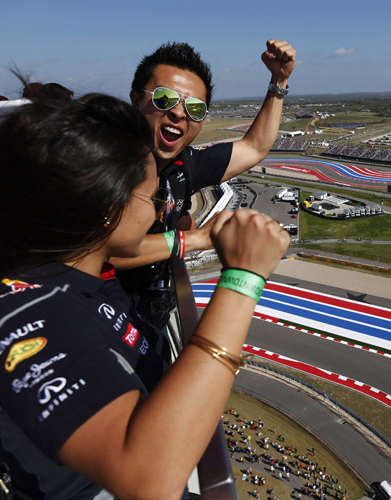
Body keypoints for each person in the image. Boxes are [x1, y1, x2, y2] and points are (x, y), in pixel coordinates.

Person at [0, 91, 290, 499]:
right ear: (108, 207)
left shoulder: (68, 284)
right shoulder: (24, 314)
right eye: (151, 198)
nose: (155, 213)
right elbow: (147, 479)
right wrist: (243, 278)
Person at [113, 39, 295, 326]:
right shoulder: (102, 162)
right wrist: (193, 240)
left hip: (148, 316)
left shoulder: (185, 163)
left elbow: (255, 147)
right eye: (164, 99)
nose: (179, 113)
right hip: (98, 318)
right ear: (137, 100)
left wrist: (278, 80)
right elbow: (97, 249)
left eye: (195, 108)